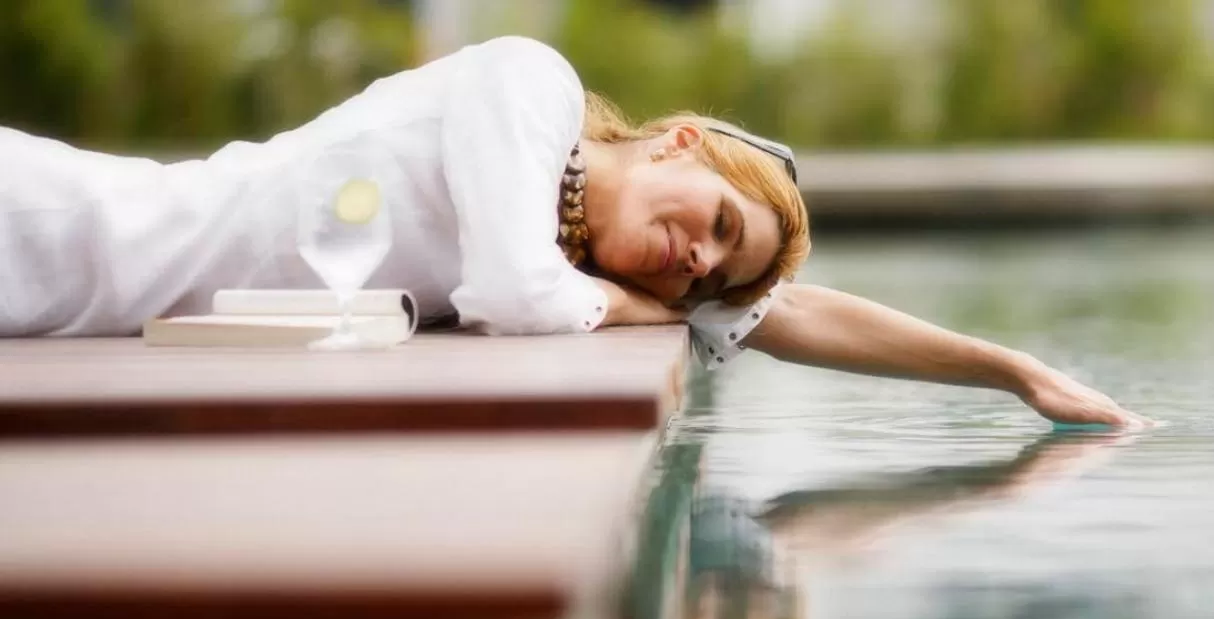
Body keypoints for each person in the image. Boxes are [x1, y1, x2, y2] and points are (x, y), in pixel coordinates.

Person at [0, 36, 1147, 429]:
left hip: (57, 301)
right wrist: (651, 307)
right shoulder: (526, 86)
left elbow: (787, 312)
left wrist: (1005, 369)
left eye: (708, 272)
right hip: (50, 230)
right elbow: (510, 291)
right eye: (715, 226)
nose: (696, 262)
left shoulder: (570, 239)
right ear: (680, 142)